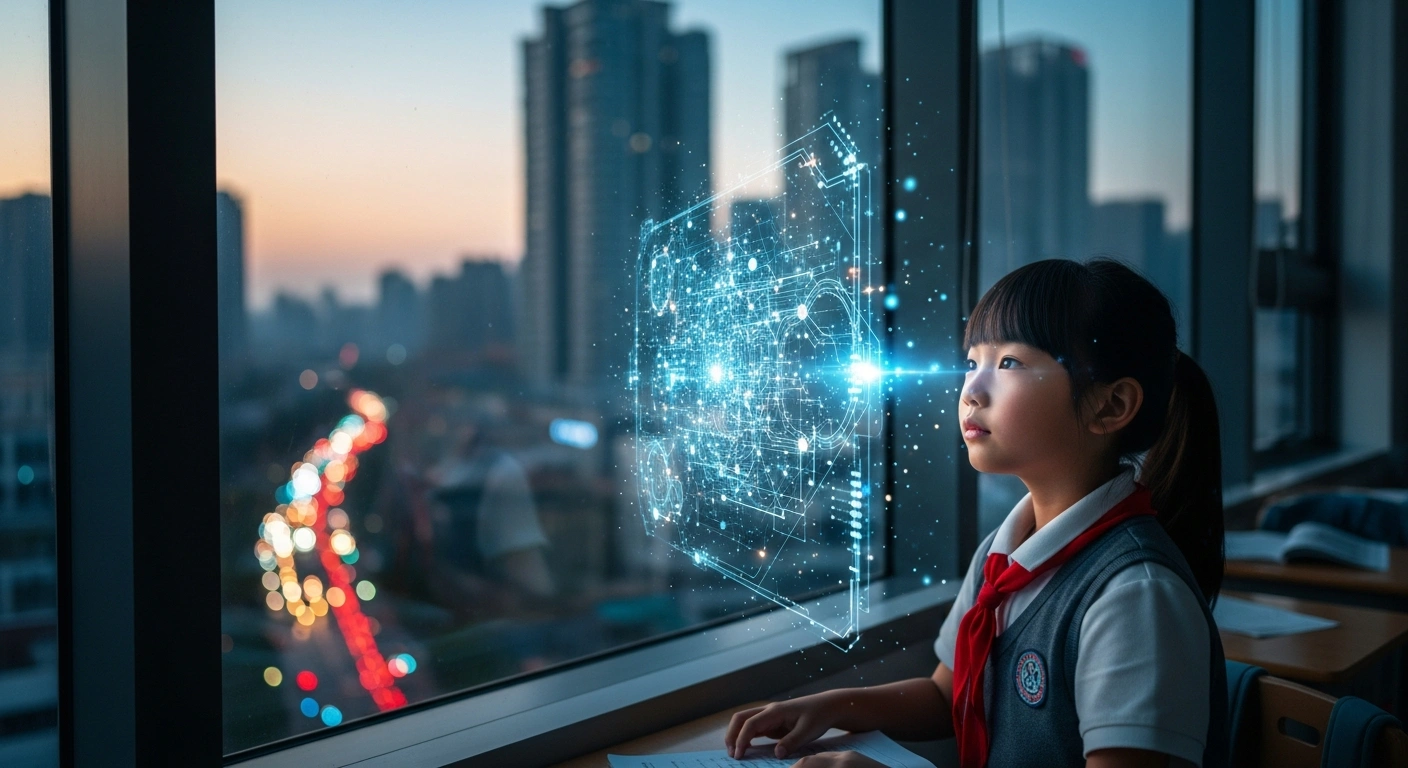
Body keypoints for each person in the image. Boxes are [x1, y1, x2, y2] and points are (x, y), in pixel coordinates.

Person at [725, 258, 1228, 768]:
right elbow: (951, 696)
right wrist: (834, 706)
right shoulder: (1003, 553)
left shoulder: (1136, 596)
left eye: (1009, 363)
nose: (971, 391)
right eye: (972, 363)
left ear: (1110, 406)